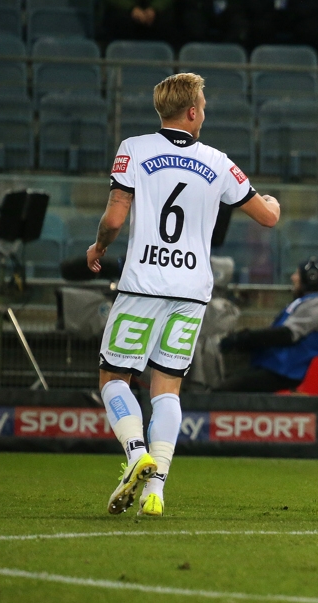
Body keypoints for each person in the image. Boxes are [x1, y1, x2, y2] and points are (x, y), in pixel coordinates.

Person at [88, 73, 280, 517]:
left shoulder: (133, 148)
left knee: (115, 378)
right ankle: (156, 489)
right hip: (192, 291)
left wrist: (99, 248)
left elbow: (115, 219)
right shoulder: (218, 161)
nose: (205, 112)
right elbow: (267, 217)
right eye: (204, 105)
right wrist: (272, 201)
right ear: (192, 111)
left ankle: (137, 454)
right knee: (167, 389)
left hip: (143, 285)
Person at [216, 258, 318, 393]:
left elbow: (287, 335)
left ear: (312, 277)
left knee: (227, 389)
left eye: (297, 273)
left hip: (286, 370)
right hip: (276, 365)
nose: (293, 277)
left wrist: (243, 338)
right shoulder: (310, 301)